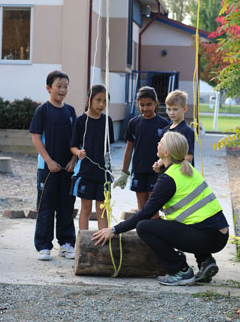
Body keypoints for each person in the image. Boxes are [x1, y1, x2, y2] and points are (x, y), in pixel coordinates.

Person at [93, 131, 229, 286]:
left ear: (166, 152)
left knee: (144, 227)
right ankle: (205, 261)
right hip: (218, 234)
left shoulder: (168, 179)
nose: (158, 143)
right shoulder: (186, 168)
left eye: (161, 142)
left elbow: (146, 212)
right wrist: (162, 170)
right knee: (182, 221)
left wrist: (115, 230)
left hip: (208, 237)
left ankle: (181, 270)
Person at [30, 70, 77, 261]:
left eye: (65, 86)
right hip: (47, 169)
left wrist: (74, 161)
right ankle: (43, 246)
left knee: (66, 206)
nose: (62, 90)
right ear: (48, 88)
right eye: (58, 86)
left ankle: (66, 244)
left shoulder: (71, 111)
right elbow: (35, 138)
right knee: (46, 207)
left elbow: (76, 141)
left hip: (68, 169)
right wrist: (49, 161)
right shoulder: (42, 110)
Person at [113, 86, 168, 212]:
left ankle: (153, 231)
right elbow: (128, 149)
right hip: (139, 170)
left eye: (149, 104)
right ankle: (142, 231)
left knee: (153, 210)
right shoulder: (133, 123)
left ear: (156, 103)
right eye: (142, 105)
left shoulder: (164, 124)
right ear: (138, 104)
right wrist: (124, 172)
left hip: (157, 171)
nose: (145, 108)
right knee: (142, 210)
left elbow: (168, 151)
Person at [70, 84, 114, 230]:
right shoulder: (81, 120)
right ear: (89, 100)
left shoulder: (108, 121)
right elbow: (73, 146)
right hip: (86, 172)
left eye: (105, 101)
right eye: (98, 100)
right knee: (86, 209)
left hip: (103, 174)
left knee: (102, 210)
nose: (102, 104)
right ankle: (83, 242)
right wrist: (78, 153)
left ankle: (103, 242)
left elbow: (109, 147)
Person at [154, 90, 195, 173]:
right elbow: (163, 153)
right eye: (169, 109)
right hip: (167, 173)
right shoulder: (165, 130)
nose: (171, 113)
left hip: (181, 174)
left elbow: (189, 157)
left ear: (185, 109)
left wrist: (164, 161)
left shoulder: (187, 131)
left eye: (175, 109)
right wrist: (159, 164)